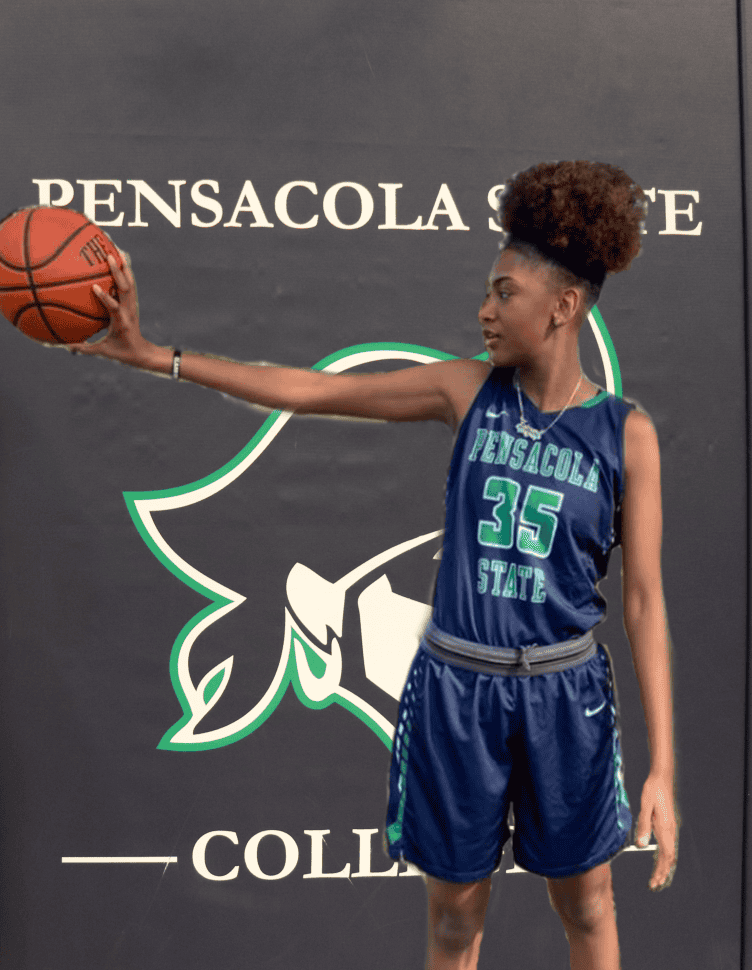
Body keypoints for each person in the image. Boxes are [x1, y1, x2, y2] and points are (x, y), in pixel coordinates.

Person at [72, 160, 678, 970]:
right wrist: (156, 356)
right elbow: (307, 391)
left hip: (564, 695)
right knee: (455, 924)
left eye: (504, 292)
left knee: (589, 905)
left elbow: (643, 602)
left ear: (563, 305)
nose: (484, 309)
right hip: (457, 689)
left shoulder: (625, 432)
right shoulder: (466, 392)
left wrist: (663, 770)